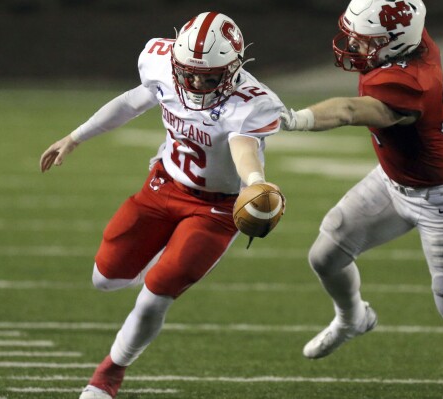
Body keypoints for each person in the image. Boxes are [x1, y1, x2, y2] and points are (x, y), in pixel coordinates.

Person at [40, 12, 284, 399]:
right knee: (105, 279)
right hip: (163, 185)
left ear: (235, 68)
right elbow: (133, 101)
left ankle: (108, 375)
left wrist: (255, 183)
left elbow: (244, 148)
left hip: (217, 210)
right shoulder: (159, 59)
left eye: (211, 76)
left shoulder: (254, 103)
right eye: (191, 73)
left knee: (155, 294)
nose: (199, 83)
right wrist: (75, 137)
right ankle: (162, 263)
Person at [281, 1, 443, 398]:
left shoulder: (408, 85)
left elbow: (349, 111)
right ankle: (353, 317)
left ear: (394, 45)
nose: (352, 43)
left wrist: (295, 118)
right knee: (325, 255)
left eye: (363, 39)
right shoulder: (411, 38)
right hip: (393, 181)